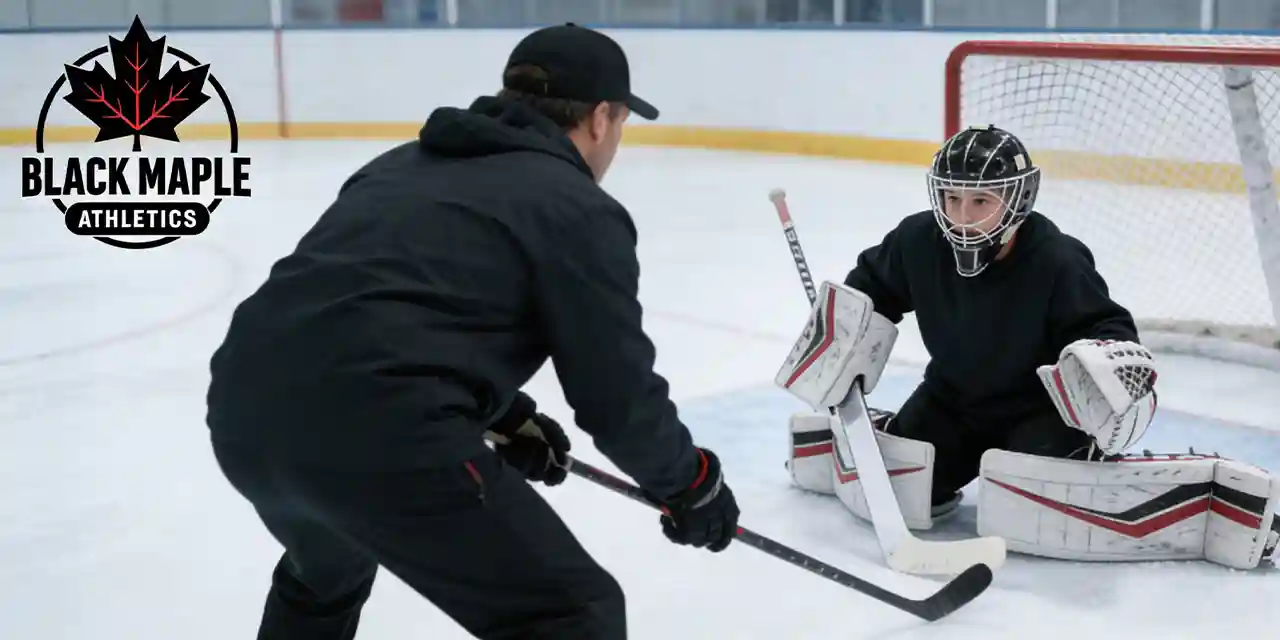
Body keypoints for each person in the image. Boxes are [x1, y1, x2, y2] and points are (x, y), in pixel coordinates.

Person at [204, 23, 739, 640]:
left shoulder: (398, 167)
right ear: (599, 118)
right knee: (572, 616)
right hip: (380, 428)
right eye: (620, 122)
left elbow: (374, 314)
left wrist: (503, 414)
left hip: (245, 411)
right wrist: (691, 484)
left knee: (326, 569)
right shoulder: (576, 209)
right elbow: (616, 399)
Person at [781, 124, 1158, 519]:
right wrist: (838, 336)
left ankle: (1078, 459)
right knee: (904, 497)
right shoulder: (917, 241)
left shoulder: (1056, 260)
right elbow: (869, 292)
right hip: (950, 403)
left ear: (1018, 197)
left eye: (981, 200)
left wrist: (1109, 372)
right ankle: (884, 433)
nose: (963, 216)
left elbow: (1106, 328)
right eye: (951, 198)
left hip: (1037, 413)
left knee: (1029, 512)